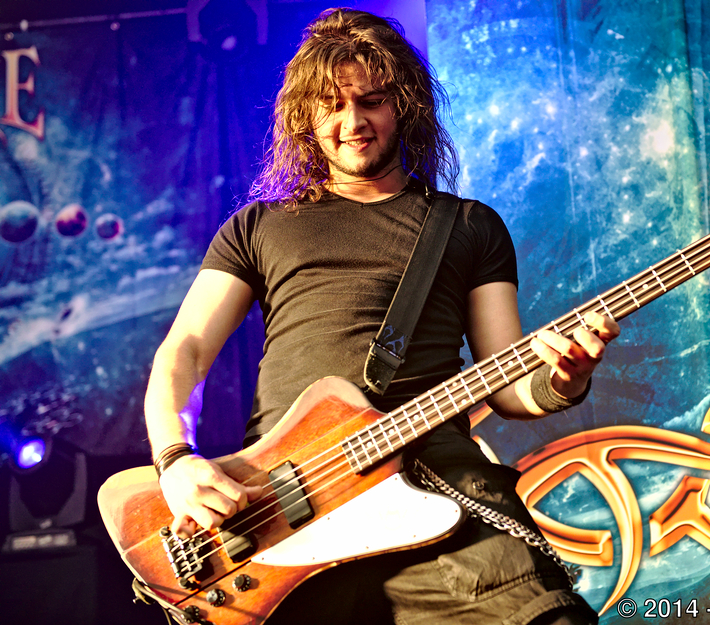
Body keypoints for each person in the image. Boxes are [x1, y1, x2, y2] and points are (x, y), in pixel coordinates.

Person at [144, 8, 620, 625]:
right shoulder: (257, 226)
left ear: (405, 106)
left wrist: (564, 379)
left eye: (371, 101)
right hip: (286, 501)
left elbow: (508, 387)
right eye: (332, 106)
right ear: (305, 117)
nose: (352, 123)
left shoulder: (469, 225)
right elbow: (184, 349)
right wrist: (175, 459)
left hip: (437, 480)